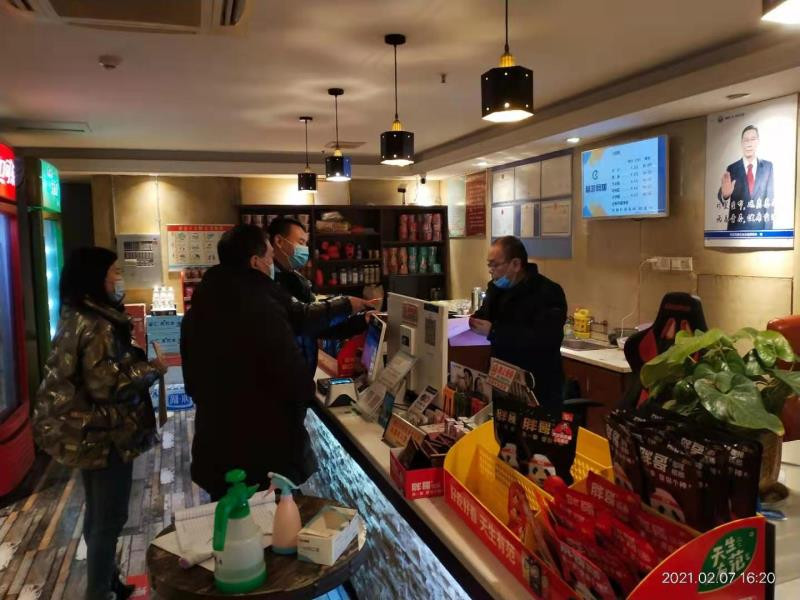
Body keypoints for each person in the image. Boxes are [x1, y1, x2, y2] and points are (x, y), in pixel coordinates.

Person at [33, 247, 167, 600]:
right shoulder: (99, 325)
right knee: (109, 517)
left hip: (82, 431)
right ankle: (99, 592)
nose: (119, 278)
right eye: (114, 272)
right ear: (96, 278)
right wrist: (152, 369)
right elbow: (109, 387)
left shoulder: (75, 316)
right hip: (103, 433)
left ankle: (108, 582)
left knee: (97, 514)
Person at [181, 224, 325, 500]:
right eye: (269, 256)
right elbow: (291, 375)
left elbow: (193, 381)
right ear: (256, 261)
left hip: (216, 442)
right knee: (272, 517)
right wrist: (306, 395)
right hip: (263, 449)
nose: (272, 263)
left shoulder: (203, 303)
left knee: (232, 513)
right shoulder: (261, 308)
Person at [469, 236, 567, 409]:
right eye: (489, 265)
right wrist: (475, 321)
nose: (491, 271)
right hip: (501, 378)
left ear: (515, 264)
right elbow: (485, 314)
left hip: (537, 384)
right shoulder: (496, 288)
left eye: (495, 265)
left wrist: (494, 331)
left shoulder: (547, 292)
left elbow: (544, 339)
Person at [268, 216, 372, 373]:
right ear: (279, 241)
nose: (305, 249)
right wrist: (347, 304)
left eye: (306, 244)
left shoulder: (295, 279)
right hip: (281, 377)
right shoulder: (267, 282)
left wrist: (362, 320)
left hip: (300, 374)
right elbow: (302, 319)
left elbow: (319, 324)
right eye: (301, 242)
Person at [717, 125, 775, 231]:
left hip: (759, 230)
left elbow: (770, 201)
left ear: (758, 142)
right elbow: (722, 194)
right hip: (736, 231)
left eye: (752, 139)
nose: (749, 144)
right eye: (746, 140)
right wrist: (724, 195)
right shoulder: (732, 168)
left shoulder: (768, 167)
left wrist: (768, 233)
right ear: (741, 143)